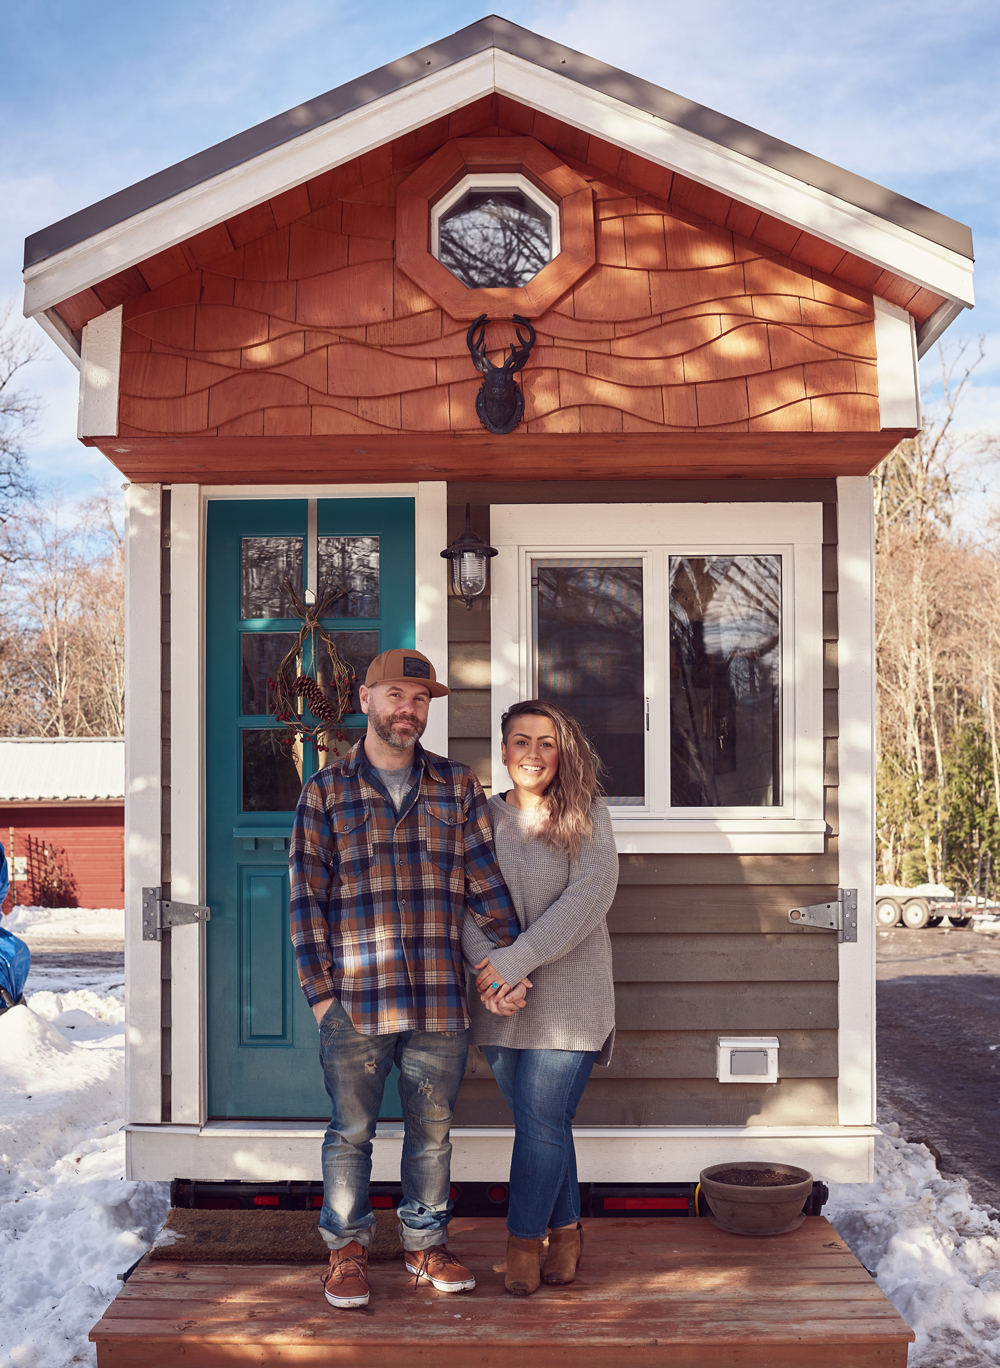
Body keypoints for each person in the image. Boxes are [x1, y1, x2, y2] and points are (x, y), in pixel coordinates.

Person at [289, 648, 521, 1310]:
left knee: (433, 1132)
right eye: (396, 695)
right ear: (366, 700)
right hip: (355, 1005)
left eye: (419, 699)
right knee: (351, 1132)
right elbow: (307, 900)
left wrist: (507, 963)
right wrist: (322, 996)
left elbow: (486, 885)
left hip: (437, 997)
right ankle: (345, 1253)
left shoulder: (457, 786)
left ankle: (424, 1244)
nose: (408, 709)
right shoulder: (325, 791)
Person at [463, 699, 619, 1297]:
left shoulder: (588, 814)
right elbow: (457, 901)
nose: (533, 753)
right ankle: (569, 1231)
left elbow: (588, 900)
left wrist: (512, 963)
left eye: (546, 742)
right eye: (521, 741)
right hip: (501, 997)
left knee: (540, 1120)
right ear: (503, 752)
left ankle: (523, 1243)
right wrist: (490, 971)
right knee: (544, 1123)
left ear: (562, 753)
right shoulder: (476, 817)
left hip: (573, 998)